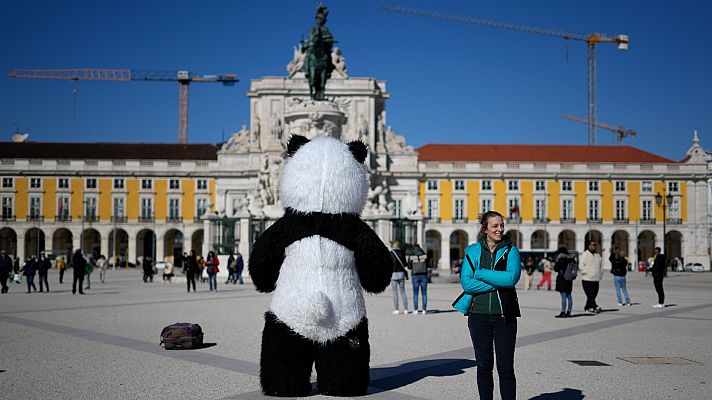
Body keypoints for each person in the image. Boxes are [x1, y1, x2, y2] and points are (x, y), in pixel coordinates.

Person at [460, 211, 521, 400]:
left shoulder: (511, 251)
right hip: (478, 316)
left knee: (505, 367)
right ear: (484, 229)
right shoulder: (472, 251)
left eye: (501, 225)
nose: (499, 229)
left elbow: (511, 278)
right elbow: (467, 284)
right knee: (484, 365)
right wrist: (498, 280)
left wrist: (481, 272)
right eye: (495, 226)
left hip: (505, 316)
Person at [579, 240, 603, 314]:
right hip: (587, 279)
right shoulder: (585, 254)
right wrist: (587, 271)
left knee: (593, 295)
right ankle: (594, 306)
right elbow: (581, 266)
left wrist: (600, 273)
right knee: (590, 295)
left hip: (596, 279)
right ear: (588, 246)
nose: (594, 246)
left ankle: (587, 307)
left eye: (595, 245)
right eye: (592, 245)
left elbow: (600, 266)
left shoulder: (597, 255)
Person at [389, 240, 410, 314]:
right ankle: (406, 309)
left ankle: (397, 309)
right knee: (403, 292)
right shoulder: (402, 253)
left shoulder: (391, 253)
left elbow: (389, 265)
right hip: (401, 274)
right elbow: (404, 264)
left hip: (394, 274)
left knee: (395, 292)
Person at [554, 247, 574, 318]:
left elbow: (556, 269)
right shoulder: (571, 259)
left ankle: (563, 312)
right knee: (569, 296)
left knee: (563, 296)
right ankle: (569, 312)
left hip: (562, 280)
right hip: (569, 280)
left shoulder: (561, 260)